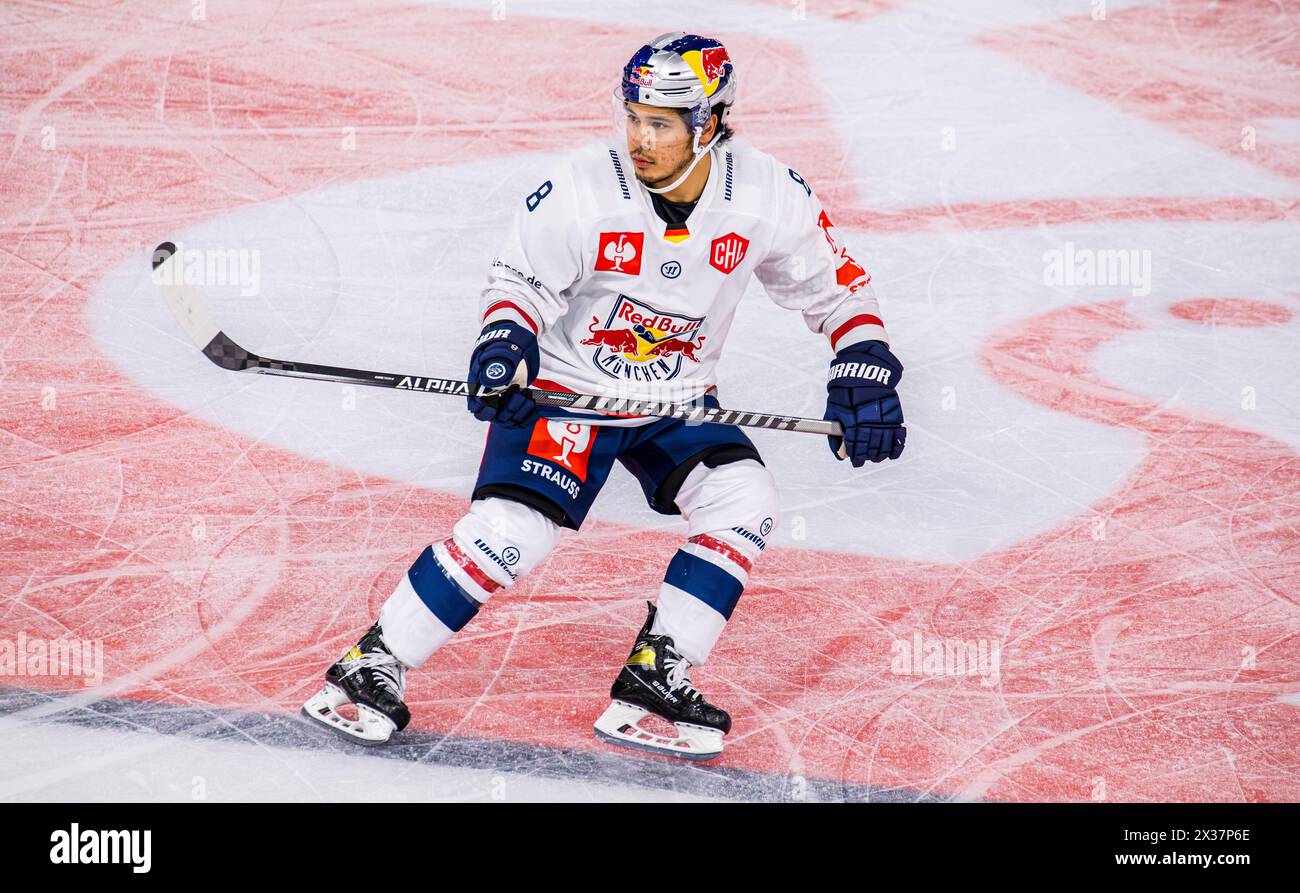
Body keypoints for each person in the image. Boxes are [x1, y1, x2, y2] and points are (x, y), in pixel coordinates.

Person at [302, 31, 906, 760]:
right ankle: (372, 664)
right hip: (567, 392)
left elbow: (836, 285)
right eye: (633, 117)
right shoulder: (586, 185)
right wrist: (504, 347)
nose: (640, 138)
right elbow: (519, 284)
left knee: (742, 497)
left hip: (676, 399)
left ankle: (657, 671)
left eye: (659, 123)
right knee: (513, 533)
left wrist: (864, 361)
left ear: (707, 123)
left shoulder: (767, 193)